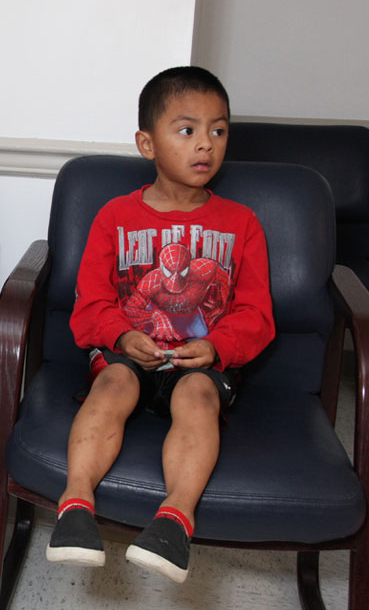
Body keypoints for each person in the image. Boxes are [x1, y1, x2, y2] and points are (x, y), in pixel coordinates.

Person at [46, 66, 274, 584]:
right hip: (130, 353)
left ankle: (174, 521)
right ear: (147, 143)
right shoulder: (113, 217)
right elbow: (90, 304)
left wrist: (216, 346)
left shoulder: (242, 224)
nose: (206, 145)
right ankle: (75, 504)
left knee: (197, 398)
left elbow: (257, 315)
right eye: (187, 130)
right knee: (112, 382)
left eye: (218, 131)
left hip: (199, 363)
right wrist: (122, 335)